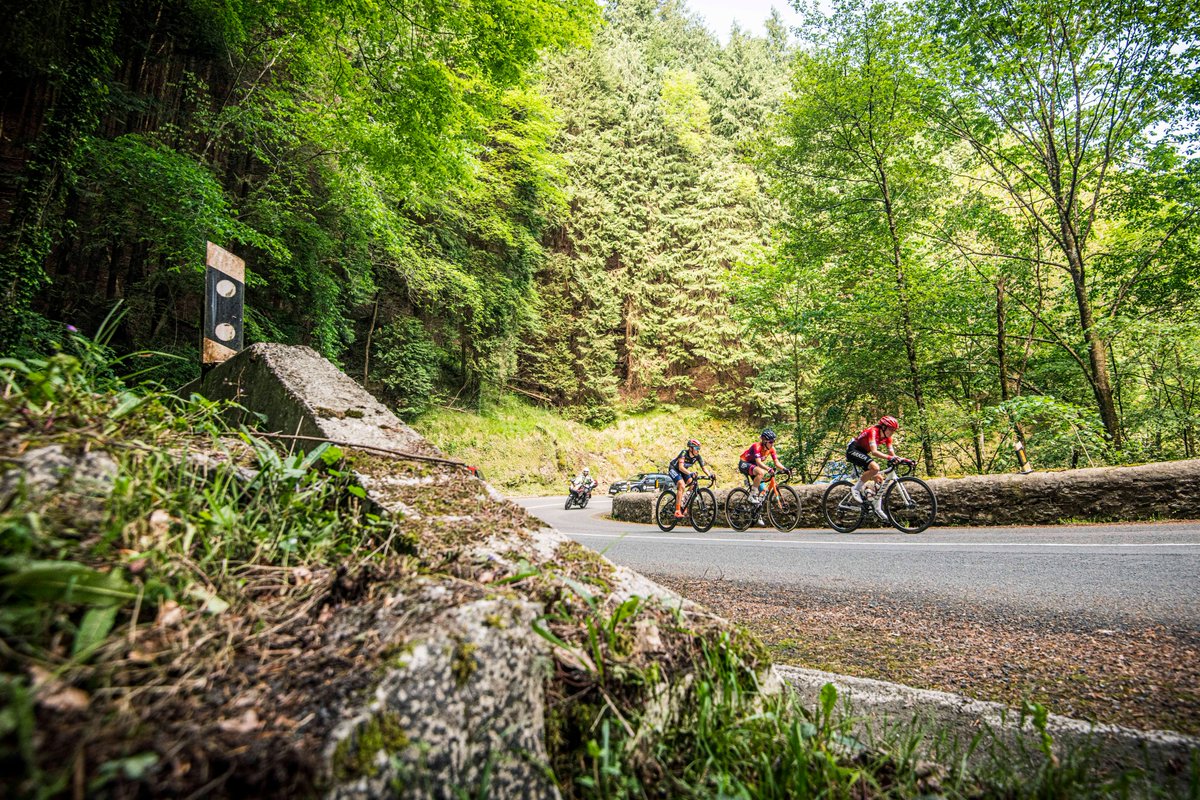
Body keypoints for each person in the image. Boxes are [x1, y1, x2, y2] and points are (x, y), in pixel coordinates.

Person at [846, 415, 911, 512]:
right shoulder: (873, 431)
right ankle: (856, 488)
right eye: (891, 429)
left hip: (863, 453)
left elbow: (892, 454)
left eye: (894, 430)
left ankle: (877, 508)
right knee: (875, 467)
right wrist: (890, 457)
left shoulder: (888, 438)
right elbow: (874, 452)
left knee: (879, 479)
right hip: (853, 450)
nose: (892, 432)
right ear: (883, 427)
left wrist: (905, 460)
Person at [738, 428, 789, 501]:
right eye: (771, 442)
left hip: (754, 465)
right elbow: (759, 462)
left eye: (774, 441)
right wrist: (768, 469)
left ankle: (755, 509)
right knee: (761, 472)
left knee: (764, 491)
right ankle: (752, 495)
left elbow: (776, 462)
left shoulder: (772, 449)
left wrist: (785, 469)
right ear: (764, 441)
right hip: (744, 463)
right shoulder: (757, 446)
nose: (772, 444)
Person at [669, 438, 714, 518]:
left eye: (699, 449)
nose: (698, 451)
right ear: (690, 448)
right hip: (674, 468)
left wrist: (709, 475)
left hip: (683, 471)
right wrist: (690, 473)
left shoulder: (697, 457)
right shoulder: (683, 453)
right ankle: (677, 510)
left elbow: (703, 468)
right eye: (696, 448)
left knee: (692, 484)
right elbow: (680, 467)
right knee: (681, 485)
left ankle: (684, 502)